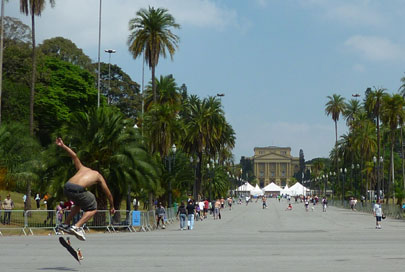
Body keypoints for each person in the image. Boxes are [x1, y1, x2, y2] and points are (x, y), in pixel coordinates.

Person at [55, 137, 115, 241]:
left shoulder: (82, 168)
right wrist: (112, 206)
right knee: (93, 208)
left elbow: (74, 156)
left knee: (79, 204)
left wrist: (63, 145)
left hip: (67, 187)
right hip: (77, 189)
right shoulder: (98, 175)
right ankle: (77, 227)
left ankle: (65, 224)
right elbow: (108, 193)